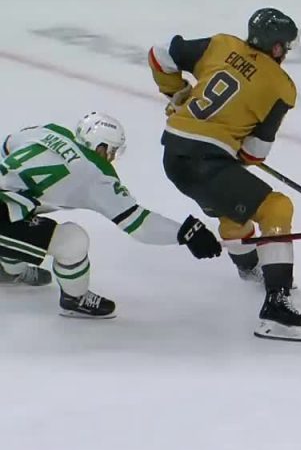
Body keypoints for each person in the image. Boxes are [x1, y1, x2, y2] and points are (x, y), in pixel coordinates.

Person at [147, 7, 301, 342]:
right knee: (275, 208)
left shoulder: (222, 45)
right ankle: (276, 308)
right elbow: (255, 153)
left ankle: (250, 266)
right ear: (279, 48)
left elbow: (160, 54)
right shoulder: (282, 87)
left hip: (174, 156)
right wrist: (230, 142)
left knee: (234, 208)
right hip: (207, 162)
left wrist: (176, 93)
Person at [0, 112, 222, 317]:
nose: (111, 157)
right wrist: (186, 233)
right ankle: (74, 298)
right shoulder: (95, 175)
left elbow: (6, 148)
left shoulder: (48, 131)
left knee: (22, 217)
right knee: (72, 241)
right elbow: (140, 225)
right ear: (101, 146)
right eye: (112, 150)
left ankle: (10, 269)